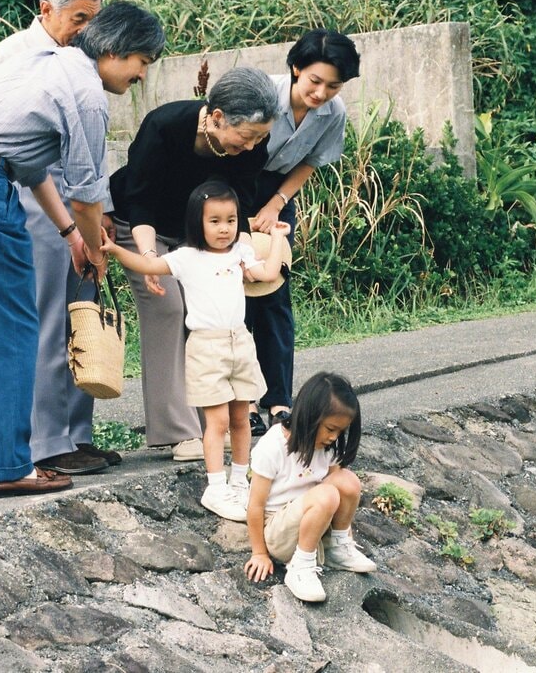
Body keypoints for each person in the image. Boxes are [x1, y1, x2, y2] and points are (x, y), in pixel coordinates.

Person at [0, 3, 165, 497]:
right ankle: (8, 466)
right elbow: (87, 193)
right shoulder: (89, 95)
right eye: (143, 61)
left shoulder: (44, 63)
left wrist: (71, 235)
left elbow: (33, 168)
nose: (142, 73)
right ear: (114, 50)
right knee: (11, 324)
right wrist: (94, 247)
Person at [0, 0, 116, 475]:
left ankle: (77, 434)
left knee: (84, 312)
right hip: (34, 196)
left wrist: (101, 217)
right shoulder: (12, 56)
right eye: (78, 18)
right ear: (46, 10)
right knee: (46, 319)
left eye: (94, 19)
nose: (87, 29)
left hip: (80, 200)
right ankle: (46, 441)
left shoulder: (87, 63)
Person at [108, 67, 279, 462]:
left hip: (198, 236)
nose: (253, 147)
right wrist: (150, 258)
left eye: (261, 137)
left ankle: (212, 424)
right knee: (167, 307)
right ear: (217, 117)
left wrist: (246, 260)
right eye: (247, 136)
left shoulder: (253, 150)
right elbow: (140, 201)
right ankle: (178, 432)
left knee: (207, 315)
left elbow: (241, 208)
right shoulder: (165, 125)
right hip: (138, 227)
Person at [103, 181, 290, 520]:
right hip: (206, 347)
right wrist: (115, 251)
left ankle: (239, 481)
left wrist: (277, 238)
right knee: (216, 421)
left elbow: (269, 272)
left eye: (231, 220)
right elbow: (149, 267)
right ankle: (216, 485)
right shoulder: (187, 257)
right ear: (197, 222)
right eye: (214, 221)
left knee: (241, 418)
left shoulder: (240, 254)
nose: (224, 228)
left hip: (240, 343)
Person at [245, 30, 361, 437]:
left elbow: (310, 162)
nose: (321, 92)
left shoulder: (335, 112)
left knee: (274, 296)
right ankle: (241, 403)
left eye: (333, 85)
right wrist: (242, 213)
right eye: (315, 81)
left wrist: (275, 204)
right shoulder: (262, 95)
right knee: (236, 298)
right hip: (232, 193)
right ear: (296, 69)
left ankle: (278, 399)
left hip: (277, 195)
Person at [243, 371, 376, 602]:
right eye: (330, 429)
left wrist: (345, 534)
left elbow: (339, 491)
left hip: (314, 524)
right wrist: (260, 553)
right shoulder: (273, 446)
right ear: (309, 417)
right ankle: (300, 567)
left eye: (340, 432)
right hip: (279, 532)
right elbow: (255, 505)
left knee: (348, 481)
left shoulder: (327, 447)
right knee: (327, 494)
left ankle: (337, 549)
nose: (334, 437)